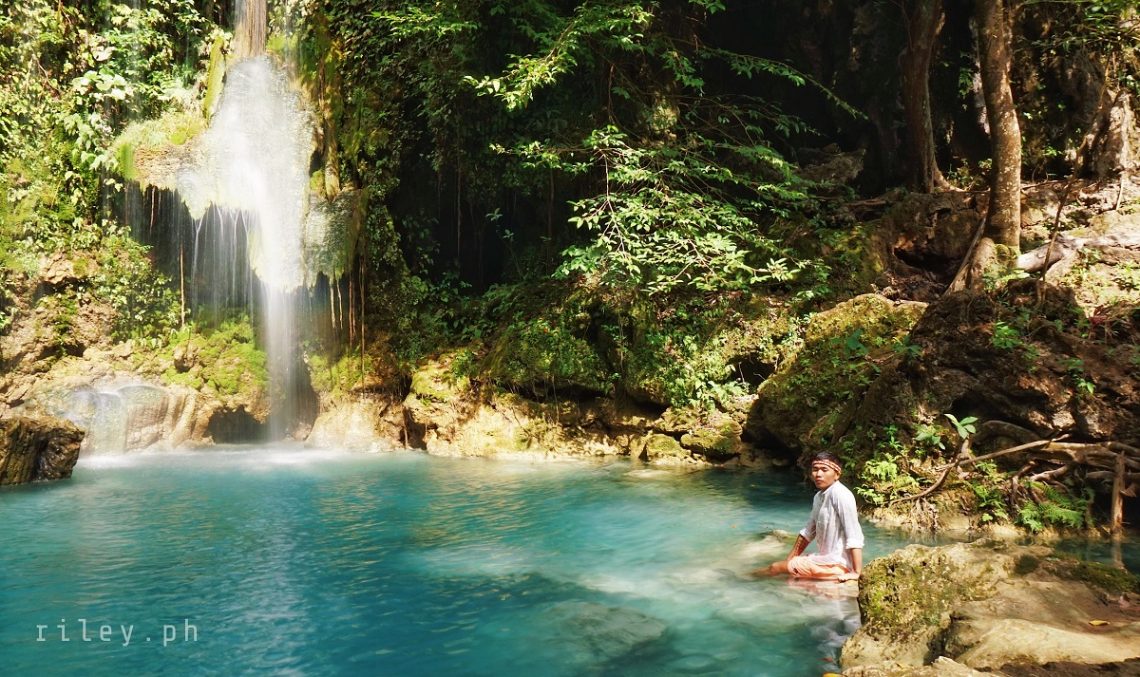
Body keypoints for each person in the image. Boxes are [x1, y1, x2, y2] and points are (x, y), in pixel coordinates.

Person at [754, 451, 864, 581]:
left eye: (824, 470)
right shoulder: (819, 497)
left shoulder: (841, 495)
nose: (818, 474)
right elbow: (808, 533)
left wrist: (856, 572)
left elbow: (854, 534)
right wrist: (789, 560)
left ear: (837, 474)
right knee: (789, 577)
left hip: (836, 563)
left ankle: (739, 580)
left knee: (775, 567)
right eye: (815, 470)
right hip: (826, 559)